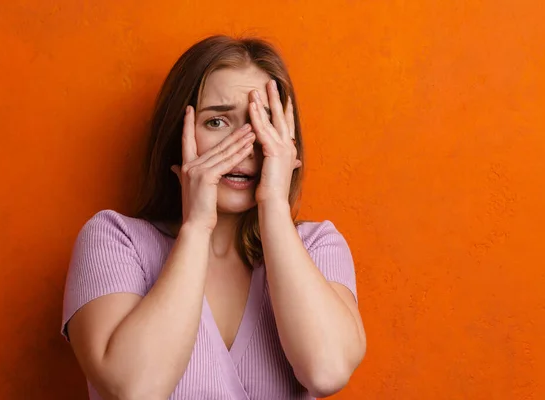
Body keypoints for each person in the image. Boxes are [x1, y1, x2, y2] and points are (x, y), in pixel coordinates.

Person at [61, 35, 366, 400]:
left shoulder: (318, 246)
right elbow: (135, 389)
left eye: (263, 123)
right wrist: (195, 228)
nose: (243, 146)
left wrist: (274, 207)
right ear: (178, 134)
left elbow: (327, 371)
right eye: (217, 122)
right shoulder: (113, 240)